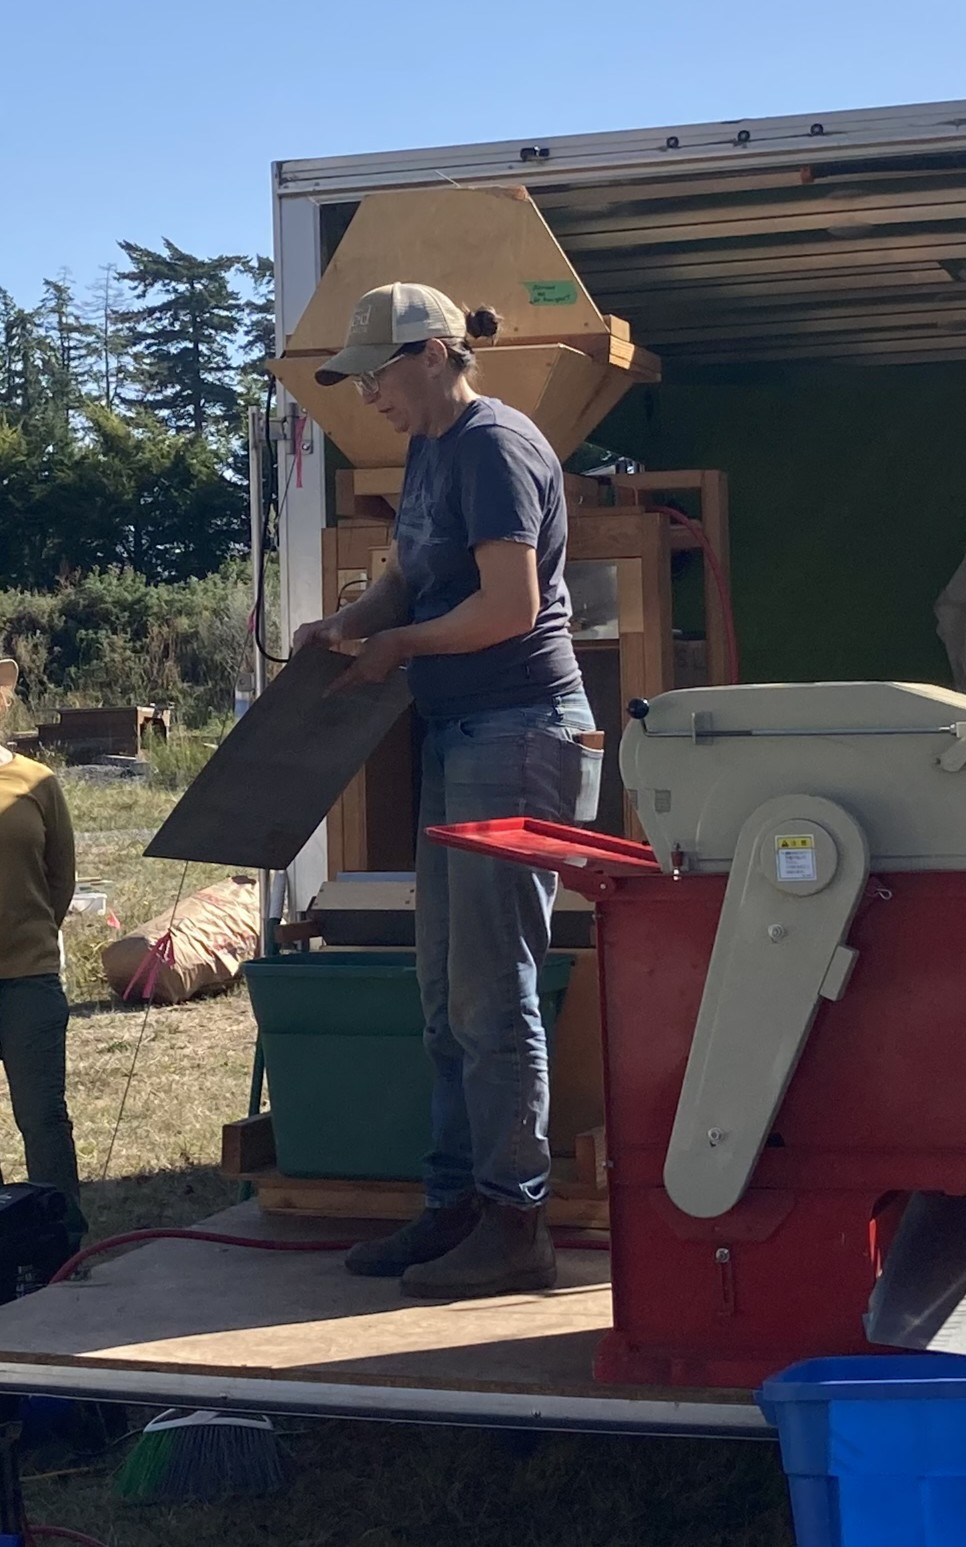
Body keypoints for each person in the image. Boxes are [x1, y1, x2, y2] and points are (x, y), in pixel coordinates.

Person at [293, 283, 600, 1300]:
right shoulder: (429, 450)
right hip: (460, 732)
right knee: (443, 993)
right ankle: (455, 1204)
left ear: (432, 352)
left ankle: (516, 1227)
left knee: (491, 993)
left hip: (518, 733)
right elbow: (409, 578)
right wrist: (350, 623)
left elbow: (508, 606)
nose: (367, 395)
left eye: (376, 374)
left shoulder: (493, 446)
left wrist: (398, 647)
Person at [0, 658, 87, 1248]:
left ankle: (62, 1245)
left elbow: (61, 878)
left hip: (27, 979)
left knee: (44, 1118)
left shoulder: (37, 782)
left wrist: (30, 935)